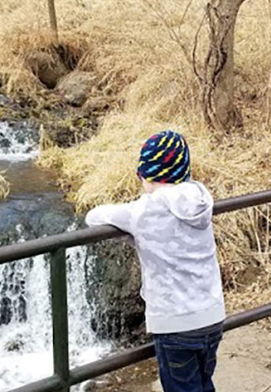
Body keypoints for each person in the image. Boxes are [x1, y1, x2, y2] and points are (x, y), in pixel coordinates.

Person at [85, 130, 225, 392]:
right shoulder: (200, 199)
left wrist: (133, 233)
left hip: (175, 324)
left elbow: (94, 217)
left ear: (146, 175)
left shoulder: (143, 211)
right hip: (212, 316)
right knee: (203, 385)